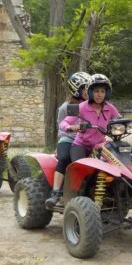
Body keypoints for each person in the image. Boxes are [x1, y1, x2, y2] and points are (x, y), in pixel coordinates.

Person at [47, 73, 121, 209]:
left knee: (115, 160)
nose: (99, 94)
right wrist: (71, 127)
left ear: (107, 93)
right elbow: (63, 124)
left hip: (99, 144)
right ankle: (63, 194)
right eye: (96, 91)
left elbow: (119, 119)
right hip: (75, 141)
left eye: (102, 91)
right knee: (74, 165)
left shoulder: (109, 107)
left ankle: (111, 193)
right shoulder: (77, 107)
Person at [44, 71, 91, 209]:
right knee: (64, 158)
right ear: (75, 90)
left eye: (90, 89)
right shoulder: (65, 107)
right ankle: (56, 193)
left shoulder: (92, 106)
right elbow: (62, 127)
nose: (88, 92)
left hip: (86, 140)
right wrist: (73, 129)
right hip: (68, 139)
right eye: (85, 89)